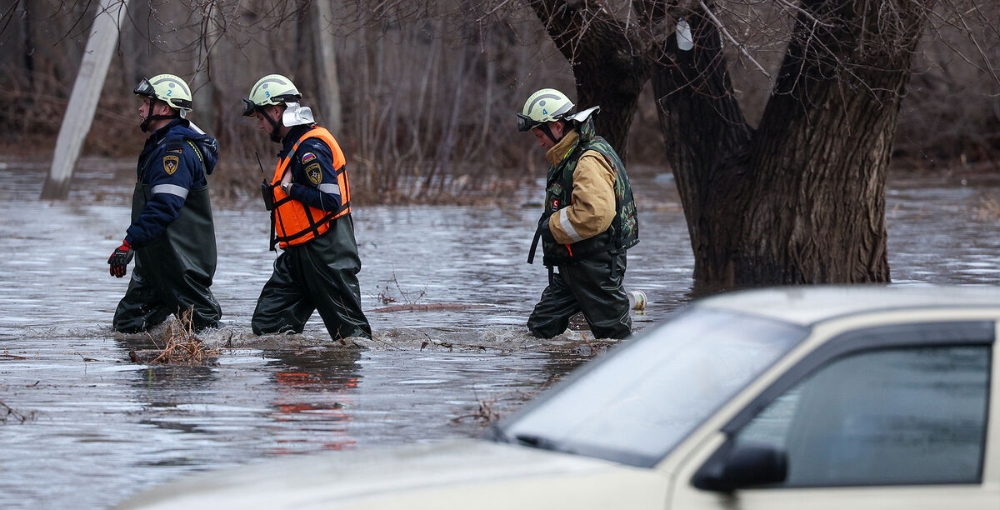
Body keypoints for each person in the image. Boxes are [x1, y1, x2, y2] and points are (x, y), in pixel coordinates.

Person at [242, 74, 372, 341]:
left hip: (326, 251)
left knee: (351, 335)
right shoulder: (294, 147)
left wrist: (291, 189)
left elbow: (330, 200)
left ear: (276, 111)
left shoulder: (310, 147)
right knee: (268, 325)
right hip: (297, 254)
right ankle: (298, 372)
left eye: (260, 118)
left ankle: (344, 378)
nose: (260, 126)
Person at [517, 88, 639, 339]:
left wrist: (551, 226)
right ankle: (554, 375)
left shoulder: (587, 159)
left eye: (540, 134)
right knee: (540, 330)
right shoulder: (569, 156)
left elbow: (594, 215)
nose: (539, 142)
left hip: (596, 267)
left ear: (558, 127)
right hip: (573, 265)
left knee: (615, 339)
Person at [109, 73, 222, 333]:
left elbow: (165, 206)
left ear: (164, 108)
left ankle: (211, 367)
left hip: (180, 262)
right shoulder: (159, 147)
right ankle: (159, 368)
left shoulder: (175, 152)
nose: (140, 108)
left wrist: (129, 243)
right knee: (128, 326)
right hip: (155, 262)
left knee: (205, 328)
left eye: (146, 102)